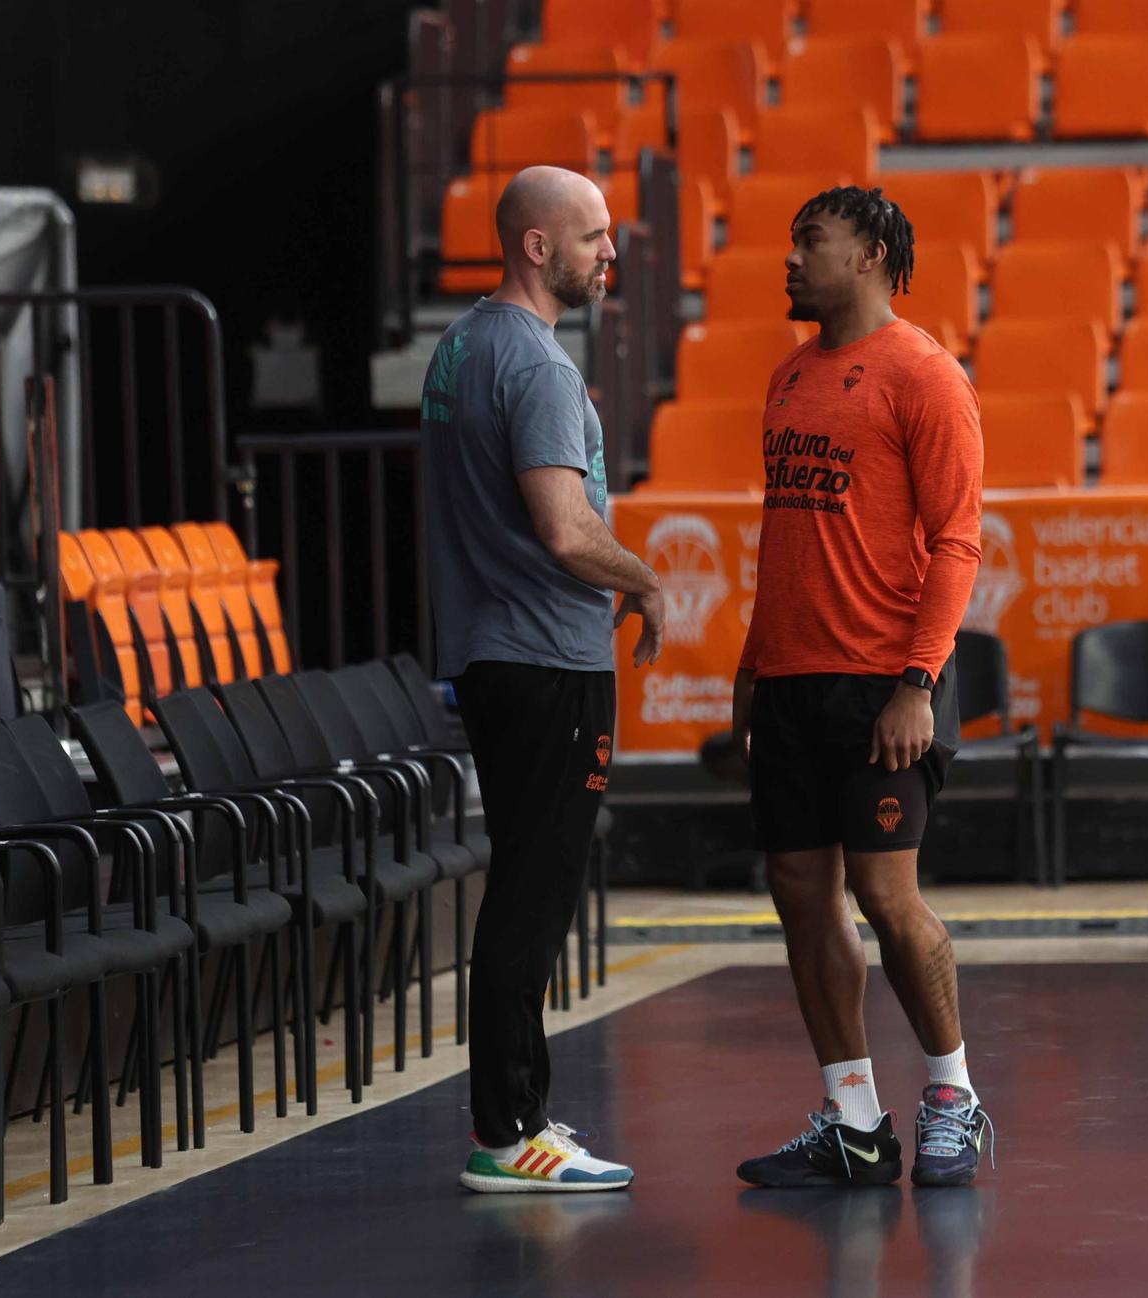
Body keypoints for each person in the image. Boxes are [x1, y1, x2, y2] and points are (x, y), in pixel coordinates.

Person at [732, 185, 994, 1189]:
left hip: (884, 687)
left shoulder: (923, 374)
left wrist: (917, 682)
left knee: (887, 895)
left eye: (811, 241)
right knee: (802, 898)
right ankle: (850, 1118)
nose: (790, 259)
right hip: (793, 685)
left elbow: (956, 543)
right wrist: (753, 667)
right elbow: (782, 541)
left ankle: (951, 1096)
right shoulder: (789, 377)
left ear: (873, 253)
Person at [420, 164, 664, 1193]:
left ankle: (514, 1113)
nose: (610, 252)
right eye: (593, 235)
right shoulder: (537, 367)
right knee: (532, 893)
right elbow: (566, 530)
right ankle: (508, 1125)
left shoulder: (459, 347)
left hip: (492, 652)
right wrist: (645, 576)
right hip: (546, 658)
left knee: (521, 884)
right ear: (535, 246)